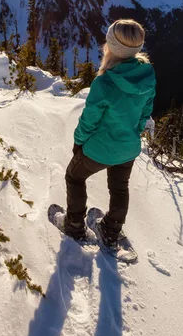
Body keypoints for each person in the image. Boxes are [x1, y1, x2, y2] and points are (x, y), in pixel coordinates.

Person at [64, 19, 156, 248]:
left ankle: (74, 225)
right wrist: (133, 133)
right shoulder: (147, 75)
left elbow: (89, 120)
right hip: (129, 148)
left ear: (111, 47)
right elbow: (146, 111)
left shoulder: (104, 83)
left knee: (74, 177)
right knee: (119, 187)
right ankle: (111, 229)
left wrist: (79, 142)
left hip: (99, 149)